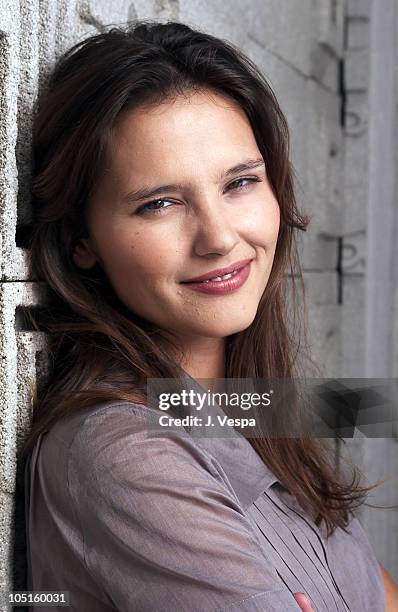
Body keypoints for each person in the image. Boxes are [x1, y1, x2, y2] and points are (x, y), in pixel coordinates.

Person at [21, 19, 397, 611]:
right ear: (81, 239)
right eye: (160, 203)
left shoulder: (250, 405)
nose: (220, 237)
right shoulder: (123, 452)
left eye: (240, 182)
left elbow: (376, 592)